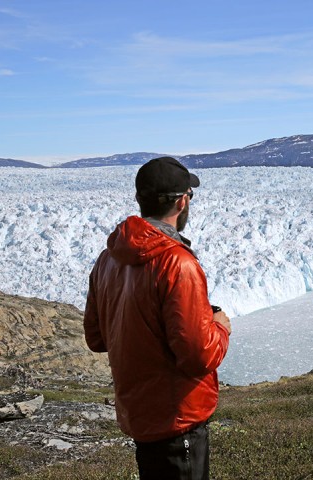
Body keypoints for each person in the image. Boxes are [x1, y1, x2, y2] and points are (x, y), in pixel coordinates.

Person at [83, 156, 231, 480]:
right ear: (182, 201)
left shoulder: (108, 260)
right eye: (190, 196)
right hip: (178, 421)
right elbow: (198, 355)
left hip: (142, 418)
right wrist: (220, 326)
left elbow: (96, 338)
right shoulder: (178, 264)